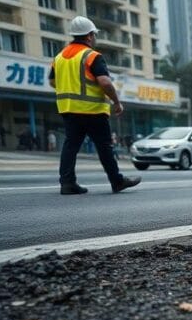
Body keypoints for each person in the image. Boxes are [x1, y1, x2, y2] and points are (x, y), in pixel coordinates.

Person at [49, 16, 140, 195]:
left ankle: (67, 183)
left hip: (69, 110)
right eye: (94, 35)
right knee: (104, 147)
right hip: (93, 111)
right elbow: (105, 82)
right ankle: (117, 181)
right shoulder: (92, 56)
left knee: (70, 146)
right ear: (89, 36)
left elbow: (52, 81)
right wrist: (116, 102)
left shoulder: (59, 57)